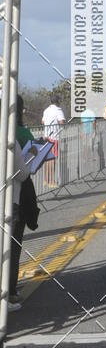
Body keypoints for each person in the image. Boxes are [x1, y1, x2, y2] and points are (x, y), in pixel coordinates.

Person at [9, 95, 40, 311]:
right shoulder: (14, 135)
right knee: (12, 246)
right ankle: (9, 292)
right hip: (13, 198)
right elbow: (23, 172)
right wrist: (31, 155)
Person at [41, 96, 65, 188]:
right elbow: (61, 122)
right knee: (52, 160)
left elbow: (42, 121)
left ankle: (45, 180)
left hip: (46, 137)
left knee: (47, 159)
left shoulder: (46, 110)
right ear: (58, 101)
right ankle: (51, 181)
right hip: (54, 137)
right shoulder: (58, 110)